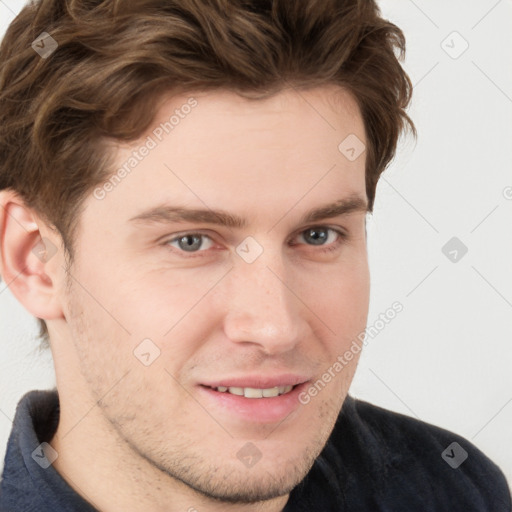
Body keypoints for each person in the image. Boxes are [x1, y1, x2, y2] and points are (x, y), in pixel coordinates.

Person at [0, 0, 510, 510]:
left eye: (317, 235)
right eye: (191, 242)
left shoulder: (454, 490)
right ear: (34, 259)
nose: (275, 327)